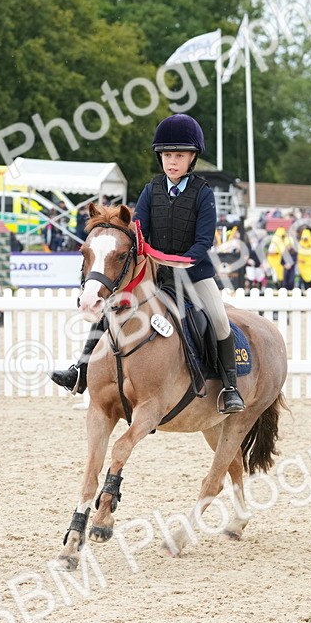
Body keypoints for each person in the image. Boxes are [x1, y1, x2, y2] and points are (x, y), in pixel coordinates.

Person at [50, 114, 245, 413]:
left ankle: (230, 387)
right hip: (156, 273)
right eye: (167, 155)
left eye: (179, 156)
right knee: (111, 307)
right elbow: (138, 229)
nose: (172, 161)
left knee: (218, 319)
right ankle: (80, 372)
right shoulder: (151, 190)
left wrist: (181, 261)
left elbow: (204, 241)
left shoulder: (203, 193)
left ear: (192, 158)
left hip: (194, 273)